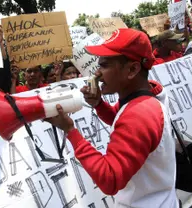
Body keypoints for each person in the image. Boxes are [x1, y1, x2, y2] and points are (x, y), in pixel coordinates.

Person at [46, 28, 178, 207]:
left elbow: (110, 179)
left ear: (132, 69)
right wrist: (99, 103)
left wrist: (70, 131)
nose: (97, 74)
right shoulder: (140, 101)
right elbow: (118, 118)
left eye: (104, 65)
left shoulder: (139, 114)